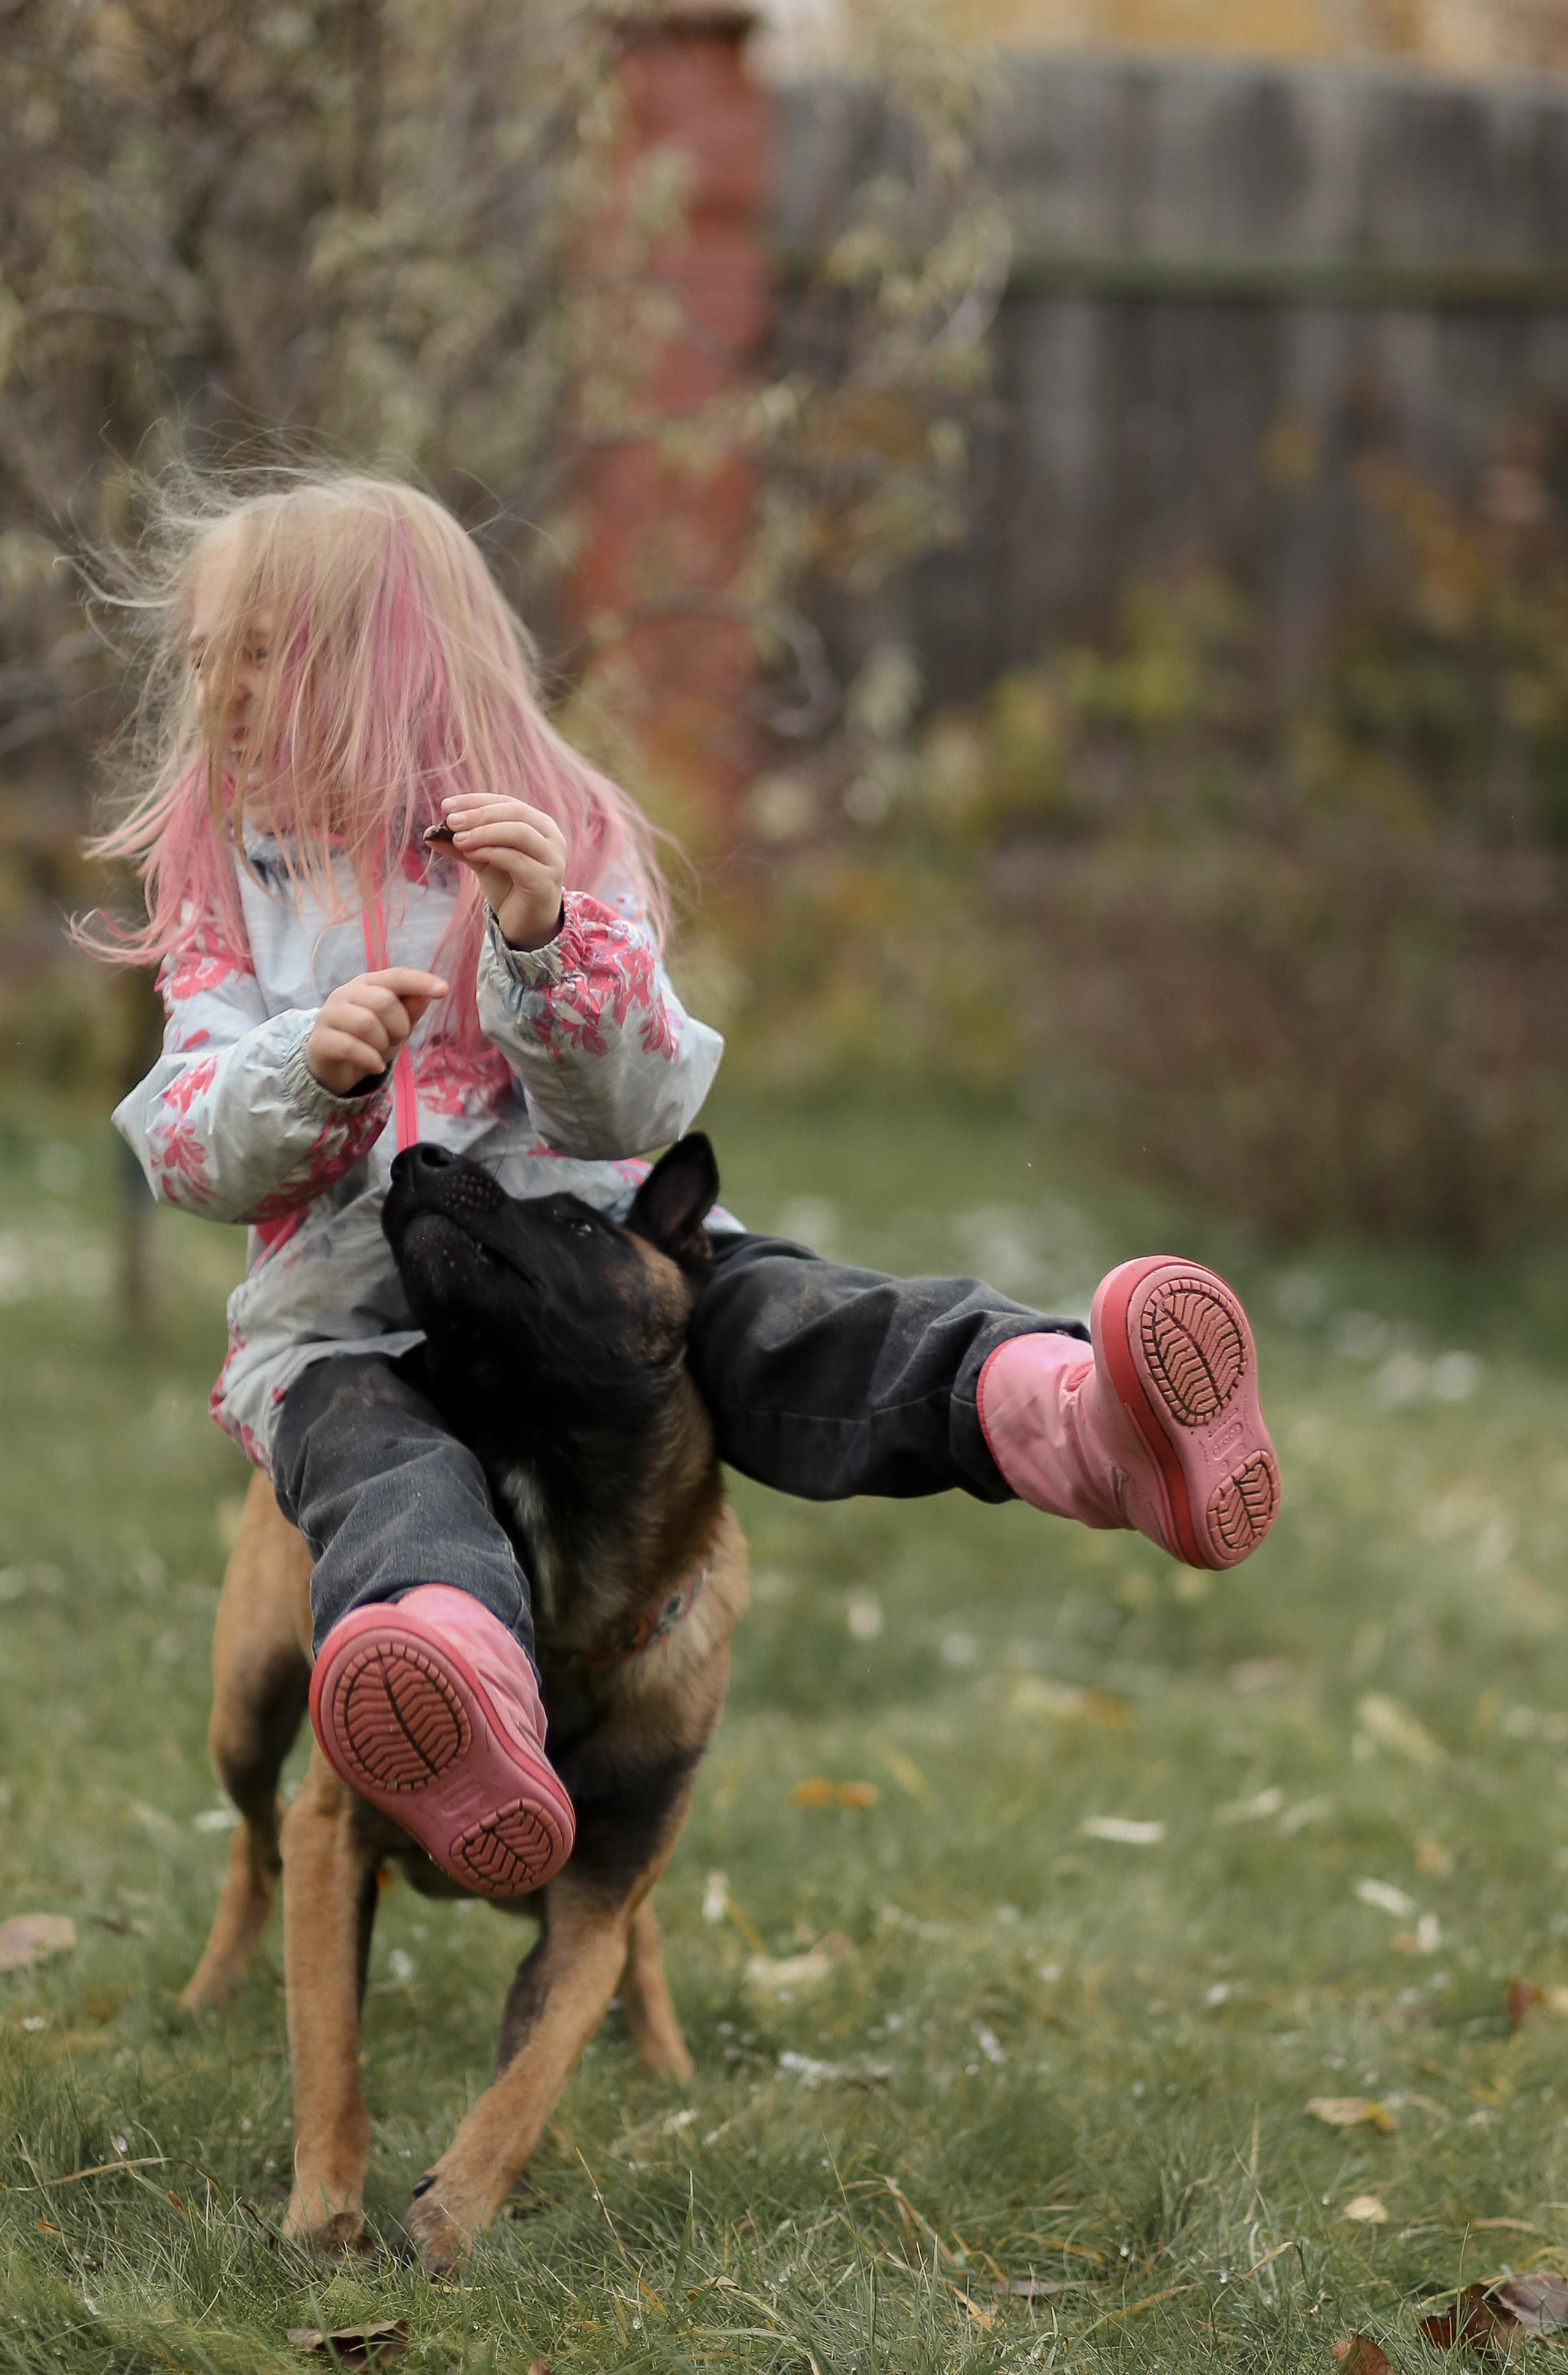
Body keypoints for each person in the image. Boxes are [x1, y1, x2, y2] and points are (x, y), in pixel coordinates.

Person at [87, 472, 1278, 1904]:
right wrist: (303, 1075)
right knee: (386, 1485)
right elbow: (185, 1140)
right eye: (208, 653)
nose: (218, 685)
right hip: (351, 1329)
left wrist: (540, 945)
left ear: (387, 657)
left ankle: (1080, 1418)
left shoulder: (551, 834)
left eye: (259, 649)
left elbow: (639, 1104)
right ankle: (456, 1699)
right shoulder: (229, 887)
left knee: (785, 1318)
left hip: (585, 1266)